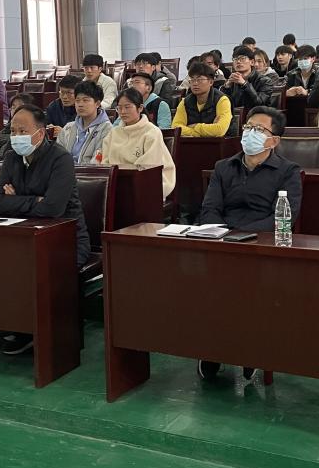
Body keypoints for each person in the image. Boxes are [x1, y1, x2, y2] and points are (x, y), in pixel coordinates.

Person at [197, 106, 301, 382]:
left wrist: (243, 238)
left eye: (258, 129)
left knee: (246, 286)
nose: (250, 133)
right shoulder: (224, 167)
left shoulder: (288, 171)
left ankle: (250, 350)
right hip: (222, 241)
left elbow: (283, 218)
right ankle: (212, 348)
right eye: (248, 127)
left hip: (261, 246)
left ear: (273, 140)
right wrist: (221, 236)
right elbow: (210, 208)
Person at [0, 104, 92, 354]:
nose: (16, 136)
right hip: (25, 235)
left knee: (39, 268)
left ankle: (39, 330)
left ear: (40, 132)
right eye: (13, 131)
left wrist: (17, 200)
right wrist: (34, 200)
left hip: (65, 240)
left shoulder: (60, 158)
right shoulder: (12, 157)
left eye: (22, 131)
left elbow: (53, 208)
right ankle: (15, 323)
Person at [99, 88, 176, 199]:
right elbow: (104, 161)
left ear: (140, 108)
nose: (123, 112)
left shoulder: (151, 132)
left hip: (145, 183)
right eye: (119, 108)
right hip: (116, 183)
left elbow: (148, 166)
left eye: (127, 107)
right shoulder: (113, 133)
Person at [56, 80, 113, 164]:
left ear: (97, 103)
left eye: (85, 100)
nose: (80, 104)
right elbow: (57, 156)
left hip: (89, 172)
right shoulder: (68, 127)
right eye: (77, 100)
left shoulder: (107, 129)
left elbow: (98, 162)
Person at [172, 61, 233, 137]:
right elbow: (175, 128)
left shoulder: (222, 100)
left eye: (199, 80)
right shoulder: (185, 102)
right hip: (190, 142)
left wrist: (195, 126)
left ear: (211, 82)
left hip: (217, 143)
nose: (195, 83)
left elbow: (220, 130)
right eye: (192, 80)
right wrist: (203, 131)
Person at [0, 93, 35, 163]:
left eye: (20, 106)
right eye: (13, 107)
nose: (16, 110)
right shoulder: (5, 131)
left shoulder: (34, 129)